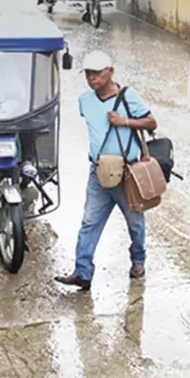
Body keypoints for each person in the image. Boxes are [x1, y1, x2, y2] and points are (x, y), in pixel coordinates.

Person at [55, 50, 157, 291]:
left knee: (134, 221)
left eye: (97, 73)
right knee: (90, 221)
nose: (92, 79)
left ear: (110, 72)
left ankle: (138, 260)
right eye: (88, 74)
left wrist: (124, 122)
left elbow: (151, 122)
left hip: (126, 172)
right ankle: (82, 272)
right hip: (98, 171)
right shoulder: (85, 101)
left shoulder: (128, 96)